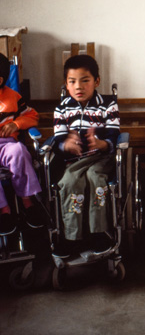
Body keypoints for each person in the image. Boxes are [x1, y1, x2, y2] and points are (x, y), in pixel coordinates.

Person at [53, 54, 120, 257]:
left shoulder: (108, 104)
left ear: (96, 81)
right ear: (66, 84)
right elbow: (58, 139)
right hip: (75, 161)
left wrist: (102, 143)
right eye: (72, 82)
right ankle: (72, 237)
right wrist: (66, 145)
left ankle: (99, 233)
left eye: (85, 80)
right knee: (70, 181)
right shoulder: (62, 108)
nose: (78, 87)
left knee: (94, 178)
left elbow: (114, 134)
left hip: (101, 159)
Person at [0, 53, 43, 235]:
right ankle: (4, 211)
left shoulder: (13, 97)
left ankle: (27, 202)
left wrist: (16, 124)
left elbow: (32, 116)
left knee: (19, 151)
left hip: (7, 144)